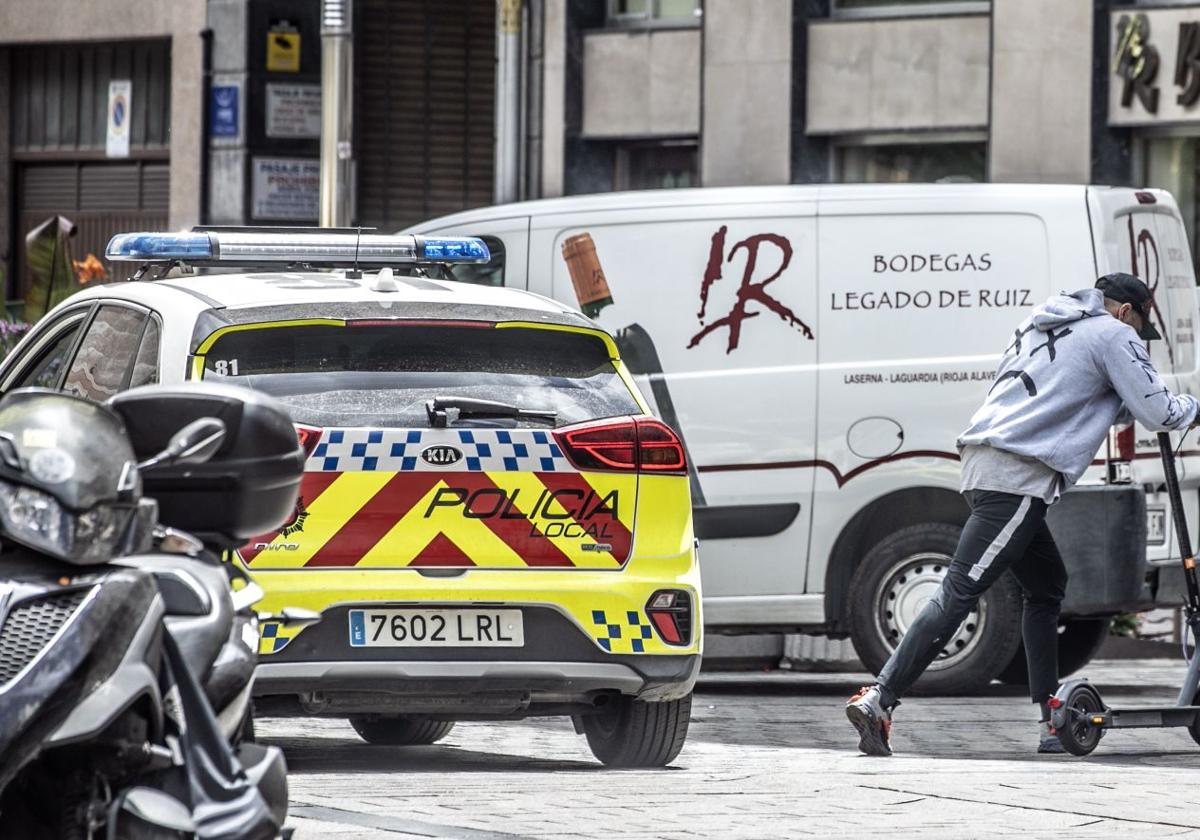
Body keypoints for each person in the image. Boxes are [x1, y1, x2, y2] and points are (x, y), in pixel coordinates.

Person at [845, 273, 1200, 756]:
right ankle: (879, 698)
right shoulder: (1113, 334)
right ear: (1125, 312)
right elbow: (1158, 411)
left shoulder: (1042, 326)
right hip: (1017, 476)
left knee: (1047, 585)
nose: (1138, 339)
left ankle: (1051, 718)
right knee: (960, 589)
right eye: (1141, 329)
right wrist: (1190, 406)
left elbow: (1079, 397)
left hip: (987, 465)